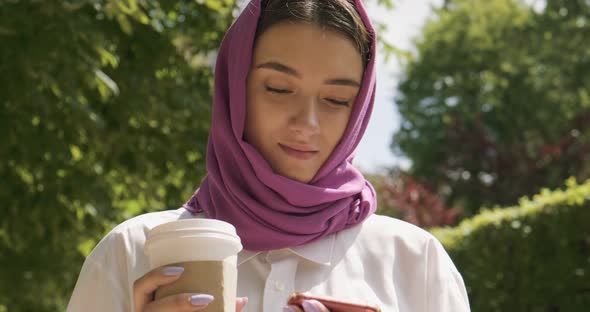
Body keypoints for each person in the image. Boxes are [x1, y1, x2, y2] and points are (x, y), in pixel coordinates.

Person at [67, 0, 471, 311]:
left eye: (336, 99)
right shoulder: (134, 252)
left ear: (361, 106)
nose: (307, 122)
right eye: (278, 89)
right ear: (235, 90)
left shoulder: (415, 262)